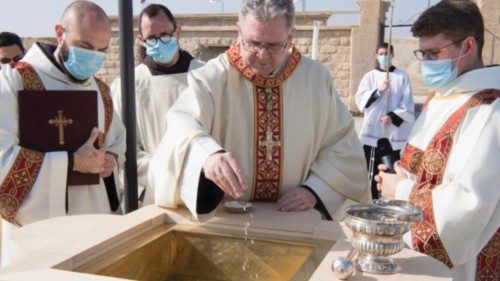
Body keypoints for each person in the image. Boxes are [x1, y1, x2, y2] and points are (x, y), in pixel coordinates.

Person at [149, 0, 370, 221]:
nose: (262, 55)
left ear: (290, 37)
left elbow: (342, 145)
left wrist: (315, 190)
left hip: (294, 220)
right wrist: (208, 156)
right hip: (229, 219)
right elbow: (181, 125)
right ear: (239, 32)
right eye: (253, 43)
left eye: (273, 46)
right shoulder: (212, 78)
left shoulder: (315, 79)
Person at [375, 1, 499, 280]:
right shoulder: (443, 95)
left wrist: (403, 190)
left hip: (462, 266)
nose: (427, 64)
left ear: (468, 46)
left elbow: (470, 203)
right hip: (417, 252)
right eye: (423, 53)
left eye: (435, 53)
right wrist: (397, 176)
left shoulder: (490, 109)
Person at [0, 1, 126, 267]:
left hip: (95, 229)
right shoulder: (15, 82)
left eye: (103, 50)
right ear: (59, 32)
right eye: (85, 47)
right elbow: (2, 160)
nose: (94, 58)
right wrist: (73, 163)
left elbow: (118, 145)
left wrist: (109, 162)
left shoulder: (101, 92)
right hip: (36, 240)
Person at [111, 4, 204, 206]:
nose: (159, 42)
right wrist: (159, 168)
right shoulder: (129, 83)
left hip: (199, 185)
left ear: (178, 32)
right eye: (151, 38)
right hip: (150, 191)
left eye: (165, 34)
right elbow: (120, 142)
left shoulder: (204, 76)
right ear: (140, 40)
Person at [355, 43, 414, 200]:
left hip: (393, 132)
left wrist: (393, 116)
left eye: (387, 53)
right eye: (381, 53)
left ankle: (391, 201)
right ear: (376, 55)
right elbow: (360, 100)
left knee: (392, 169)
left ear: (392, 54)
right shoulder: (370, 77)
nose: (384, 56)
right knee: (370, 171)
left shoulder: (402, 77)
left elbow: (407, 103)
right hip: (373, 132)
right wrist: (378, 90)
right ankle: (369, 201)